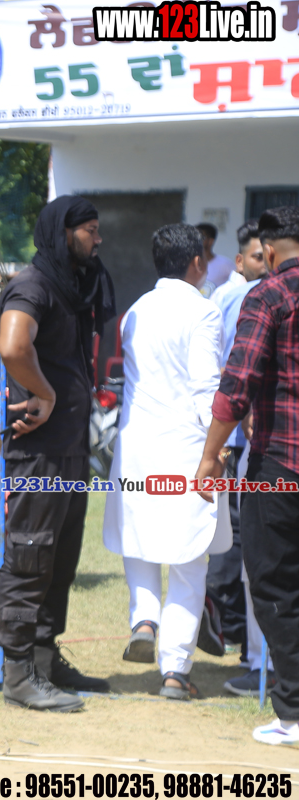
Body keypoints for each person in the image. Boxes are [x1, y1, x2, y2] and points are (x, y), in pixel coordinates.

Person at [0, 195, 115, 712]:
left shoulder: (68, 287)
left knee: (60, 562)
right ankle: (18, 674)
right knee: (30, 557)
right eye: (90, 229)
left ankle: (44, 660)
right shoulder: (34, 285)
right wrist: (44, 393)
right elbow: (12, 345)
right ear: (64, 232)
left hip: (69, 449)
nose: (98, 238)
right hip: (38, 451)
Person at [102, 223, 226, 701]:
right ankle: (174, 669)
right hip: (186, 447)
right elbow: (205, 387)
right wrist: (218, 447)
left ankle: (144, 620)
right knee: (189, 560)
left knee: (140, 541)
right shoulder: (203, 311)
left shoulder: (136, 311)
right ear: (196, 262)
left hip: (136, 447)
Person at [196, 205, 299, 746]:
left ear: (271, 252)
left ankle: (295, 712)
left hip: (279, 463)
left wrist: (210, 456)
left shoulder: (268, 295)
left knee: (275, 584)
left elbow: (237, 386)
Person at [205, 220, 275, 695]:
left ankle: (259, 658)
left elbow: (237, 379)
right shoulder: (234, 299)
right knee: (243, 549)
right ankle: (249, 647)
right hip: (250, 443)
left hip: (263, 446)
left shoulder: (262, 298)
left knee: (258, 556)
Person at [197, 222, 238, 296]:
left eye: (201, 237)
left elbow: (238, 283)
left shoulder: (225, 264)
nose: (197, 240)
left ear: (210, 241)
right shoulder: (189, 264)